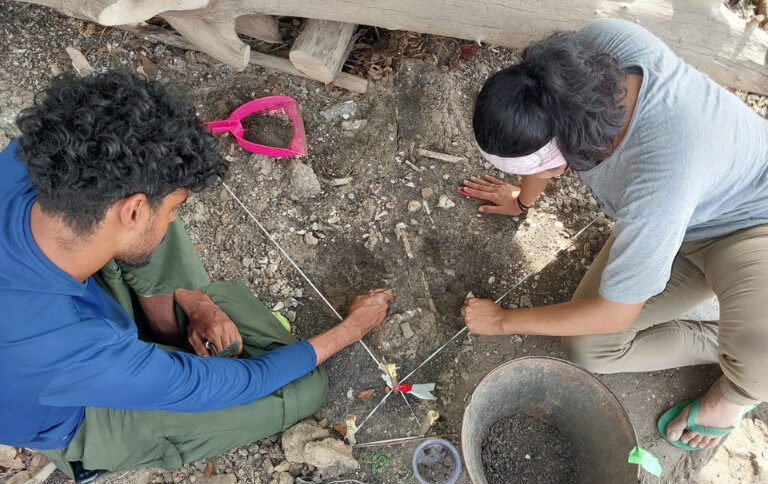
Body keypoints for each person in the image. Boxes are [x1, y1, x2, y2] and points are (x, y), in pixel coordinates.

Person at [0, 71, 393, 481]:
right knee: (305, 387)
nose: (174, 219)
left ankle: (165, 325)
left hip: (63, 321)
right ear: (132, 210)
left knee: (145, 230)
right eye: (175, 209)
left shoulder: (24, 161)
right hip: (73, 413)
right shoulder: (67, 351)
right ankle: (88, 458)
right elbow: (234, 383)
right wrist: (349, 331)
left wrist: (195, 299)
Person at [460, 18, 767, 450]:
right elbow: (545, 148)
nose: (542, 174)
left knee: (759, 359)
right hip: (680, 211)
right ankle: (721, 337)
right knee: (590, 349)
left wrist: (504, 321)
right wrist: (521, 200)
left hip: (750, 225)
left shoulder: (657, 183)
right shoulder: (585, 60)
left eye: (537, 169)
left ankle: (735, 393)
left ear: (563, 151)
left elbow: (614, 313)